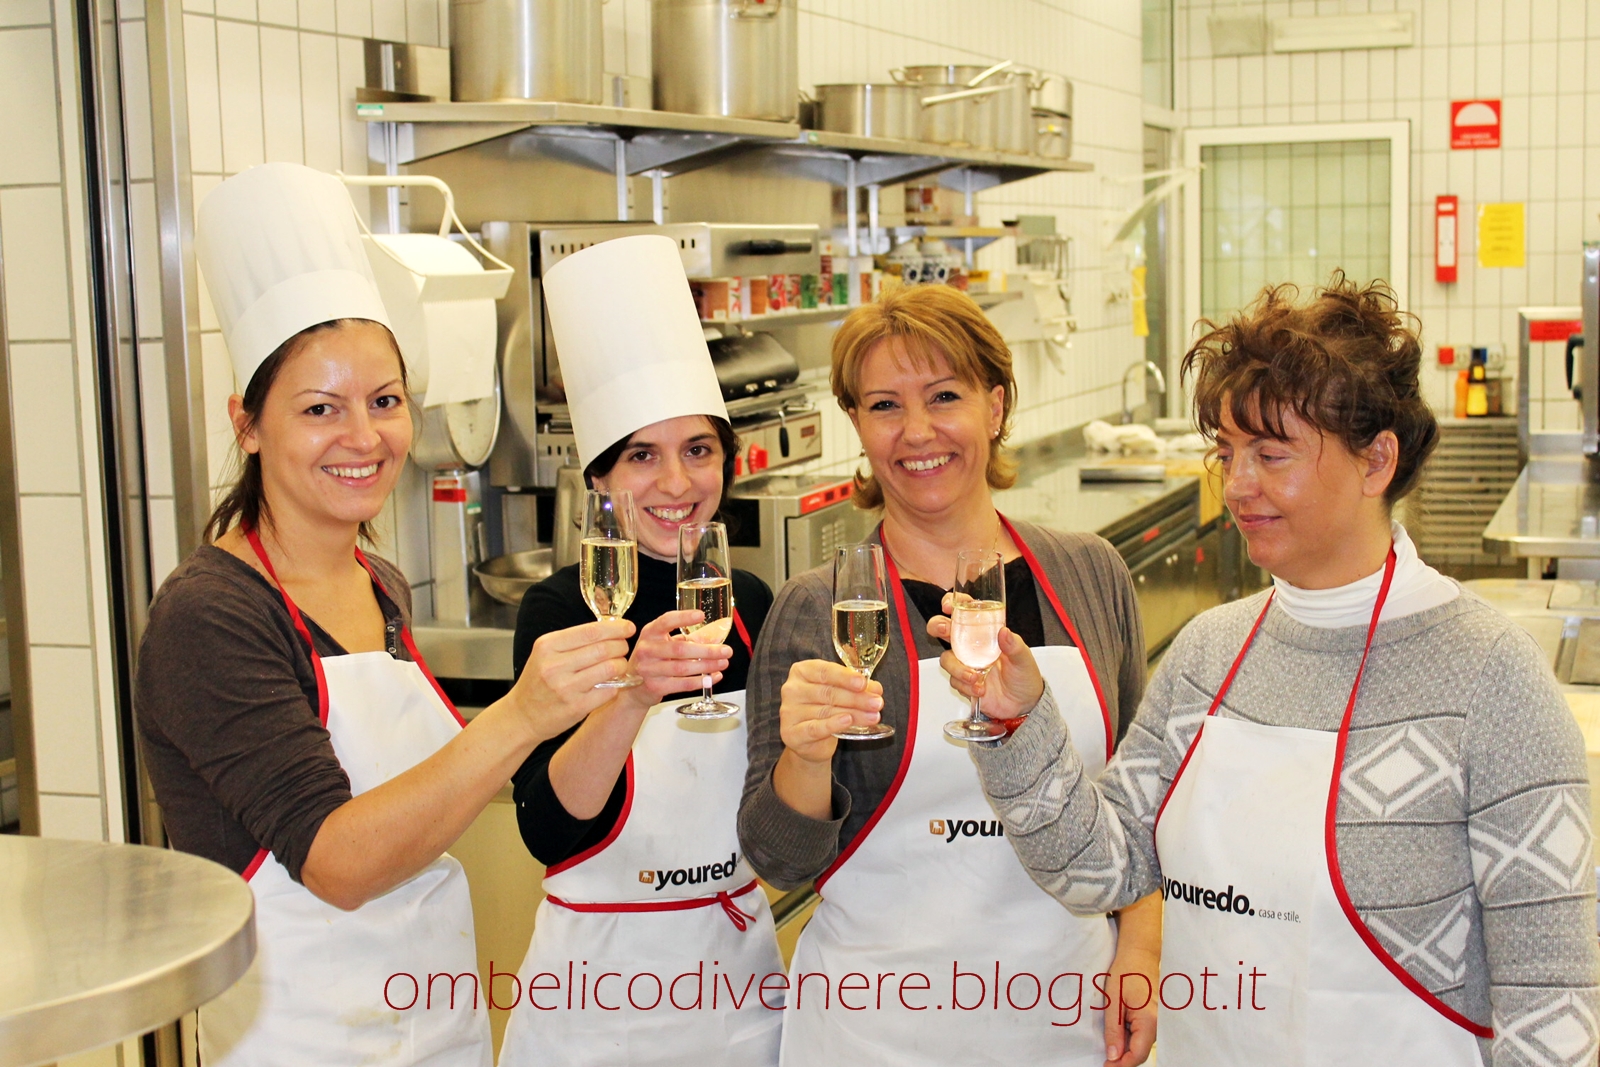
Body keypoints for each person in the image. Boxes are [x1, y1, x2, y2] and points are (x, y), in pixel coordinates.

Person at [961, 276, 1600, 1066]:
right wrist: (1019, 722)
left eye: (1271, 454)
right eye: (1227, 453)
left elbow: (1552, 1001)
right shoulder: (1210, 653)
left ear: (1377, 461)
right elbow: (1100, 868)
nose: (1237, 485)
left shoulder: (1488, 676)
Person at [134, 163, 632, 1066]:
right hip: (302, 1044)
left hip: (436, 1026)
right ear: (248, 423)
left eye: (385, 402)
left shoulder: (381, 583)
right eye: (319, 408)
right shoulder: (210, 616)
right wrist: (522, 714)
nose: (363, 438)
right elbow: (338, 860)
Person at [738, 284, 1162, 1066]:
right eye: (884, 405)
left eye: (944, 396)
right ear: (857, 424)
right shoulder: (817, 608)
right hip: (878, 1030)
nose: (917, 431)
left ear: (995, 406)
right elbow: (779, 859)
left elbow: (1144, 802)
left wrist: (1141, 946)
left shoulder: (1090, 573)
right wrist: (805, 757)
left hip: (1066, 1021)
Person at [497, 235, 783, 1067]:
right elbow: (548, 828)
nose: (677, 483)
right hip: (601, 995)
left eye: (698, 450)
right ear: (598, 478)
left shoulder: (749, 602)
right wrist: (632, 693)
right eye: (640, 456)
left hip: (736, 981)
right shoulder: (560, 610)